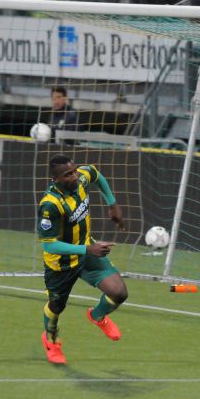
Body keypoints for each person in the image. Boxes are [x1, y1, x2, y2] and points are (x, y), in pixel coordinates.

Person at [37, 154, 128, 364]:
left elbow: (96, 173)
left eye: (75, 170)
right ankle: (51, 340)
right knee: (56, 307)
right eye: (68, 174)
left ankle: (97, 316)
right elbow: (49, 244)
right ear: (56, 179)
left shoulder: (82, 178)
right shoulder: (50, 205)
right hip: (61, 263)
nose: (75, 176)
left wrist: (112, 203)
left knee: (119, 293)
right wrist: (87, 250)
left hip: (87, 249)